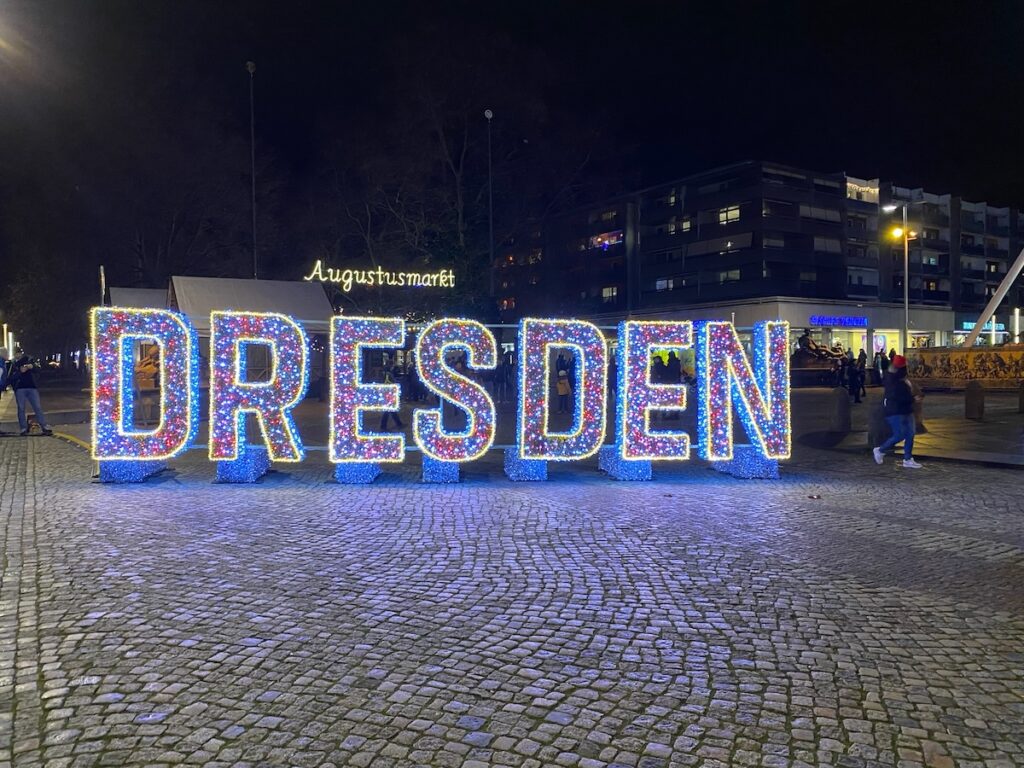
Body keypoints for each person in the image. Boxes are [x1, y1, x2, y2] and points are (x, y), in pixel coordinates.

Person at [872, 355, 922, 468]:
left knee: (910, 433)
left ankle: (908, 459)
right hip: (895, 411)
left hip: (906, 408)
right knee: (899, 434)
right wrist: (912, 399)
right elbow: (896, 396)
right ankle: (880, 450)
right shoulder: (892, 379)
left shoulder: (901, 378)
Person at [9, 352, 53, 436]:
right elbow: (11, 377)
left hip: (32, 387)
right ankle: (23, 428)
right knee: (21, 408)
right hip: (20, 388)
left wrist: (32, 367)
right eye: (16, 354)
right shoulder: (13, 364)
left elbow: (39, 370)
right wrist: (20, 371)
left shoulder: (29, 360)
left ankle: (44, 426)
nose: (18, 355)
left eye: (19, 353)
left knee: (37, 407)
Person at [378, 363, 403, 432]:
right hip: (389, 394)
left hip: (385, 393)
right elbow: (394, 382)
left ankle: (399, 423)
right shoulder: (388, 374)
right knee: (388, 410)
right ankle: (383, 426)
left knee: (391, 410)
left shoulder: (382, 374)